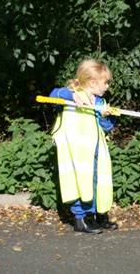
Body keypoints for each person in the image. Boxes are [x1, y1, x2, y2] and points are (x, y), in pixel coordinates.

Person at [49, 58, 119, 234]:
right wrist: (72, 96)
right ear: (93, 82)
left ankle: (99, 216)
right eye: (106, 82)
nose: (108, 86)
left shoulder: (100, 103)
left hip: (96, 152)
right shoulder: (70, 94)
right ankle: (82, 219)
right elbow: (53, 95)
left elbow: (108, 127)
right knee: (80, 183)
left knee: (98, 183)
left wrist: (105, 116)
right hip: (77, 153)